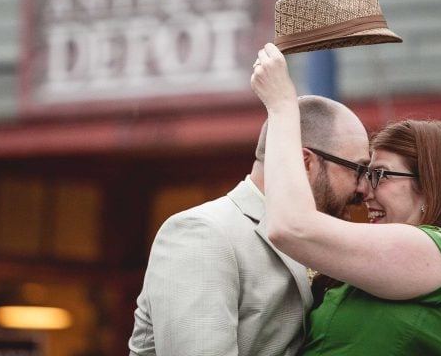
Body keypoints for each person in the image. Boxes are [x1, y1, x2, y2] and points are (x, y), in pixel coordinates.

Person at [251, 42, 441, 355]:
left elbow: (290, 227)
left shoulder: (437, 251)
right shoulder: (397, 259)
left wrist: (281, 105)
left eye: (380, 175)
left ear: (430, 185)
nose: (364, 191)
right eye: (364, 174)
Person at [128, 94, 371, 355]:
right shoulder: (202, 234)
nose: (365, 189)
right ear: (305, 163)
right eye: (357, 170)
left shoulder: (318, 242)